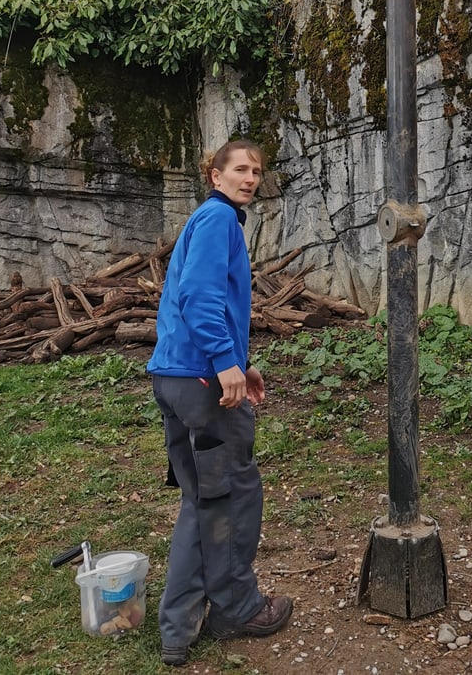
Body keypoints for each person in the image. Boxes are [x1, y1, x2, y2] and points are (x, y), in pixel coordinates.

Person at [147, 139, 293, 667]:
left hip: (174, 375)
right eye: (239, 169)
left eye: (256, 171)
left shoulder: (206, 221)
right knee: (231, 493)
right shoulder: (218, 221)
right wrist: (224, 363)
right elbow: (199, 294)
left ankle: (177, 630)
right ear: (215, 175)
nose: (250, 178)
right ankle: (237, 608)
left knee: (201, 500)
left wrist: (239, 359)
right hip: (203, 384)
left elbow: (196, 297)